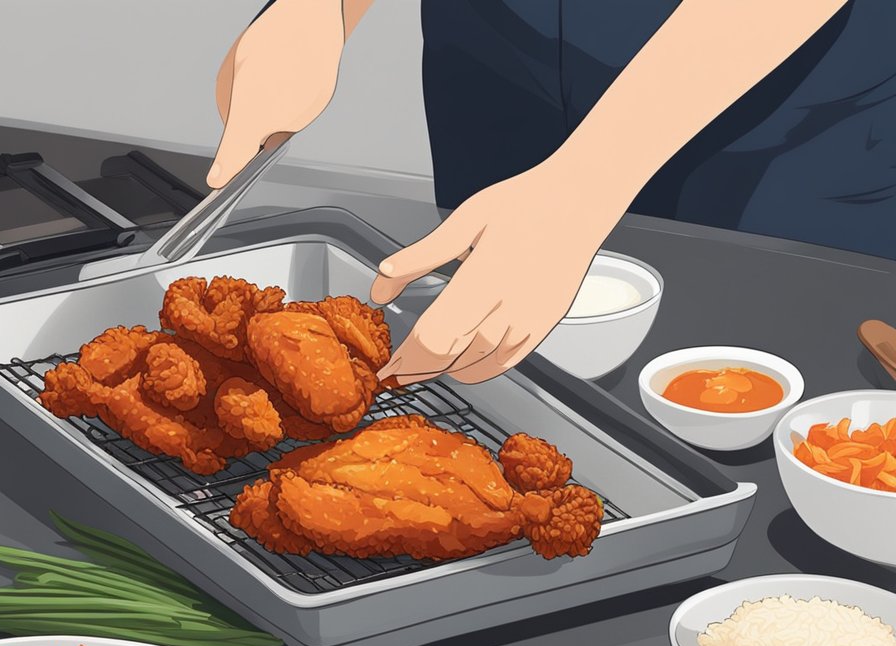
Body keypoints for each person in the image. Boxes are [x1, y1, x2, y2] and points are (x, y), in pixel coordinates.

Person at [208, 0, 884, 385]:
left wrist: (587, 179)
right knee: (490, 359)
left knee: (770, 393)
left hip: (771, 89)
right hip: (500, 46)